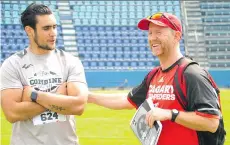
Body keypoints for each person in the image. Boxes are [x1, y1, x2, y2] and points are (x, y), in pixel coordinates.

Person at [88, 12, 225, 145]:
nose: (153, 38)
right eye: (150, 33)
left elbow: (211, 122)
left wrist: (170, 114)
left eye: (159, 33)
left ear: (176, 36)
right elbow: (127, 100)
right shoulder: (153, 75)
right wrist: (90, 97)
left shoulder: (191, 74)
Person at [1, 3, 88, 145]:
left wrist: (34, 96)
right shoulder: (12, 64)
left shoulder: (71, 61)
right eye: (46, 28)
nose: (53, 33)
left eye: (54, 27)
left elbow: (78, 106)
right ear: (29, 30)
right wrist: (60, 97)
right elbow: (12, 113)